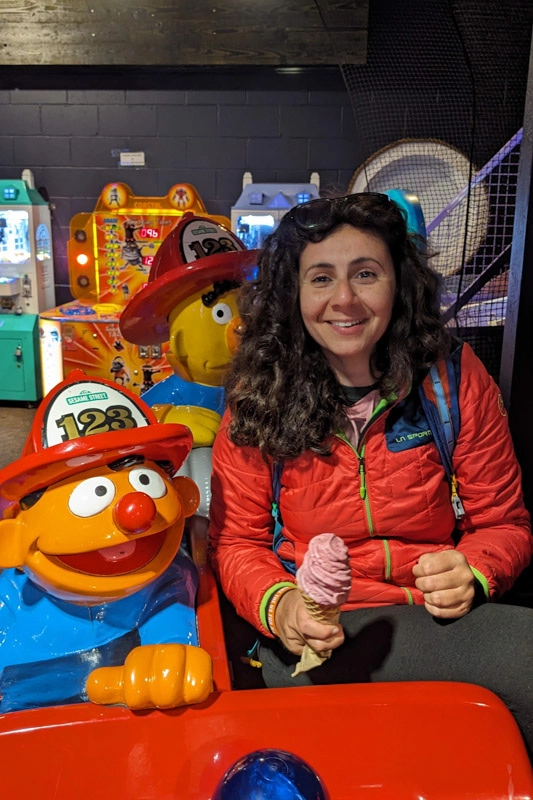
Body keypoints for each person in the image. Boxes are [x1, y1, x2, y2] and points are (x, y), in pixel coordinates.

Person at [207, 192, 533, 754]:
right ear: (292, 293)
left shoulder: (450, 379)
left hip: (431, 620)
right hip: (315, 637)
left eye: (366, 273)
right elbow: (236, 541)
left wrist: (474, 570)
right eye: (321, 279)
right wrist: (281, 604)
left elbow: (507, 524)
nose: (345, 299)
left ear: (399, 283)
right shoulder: (260, 395)